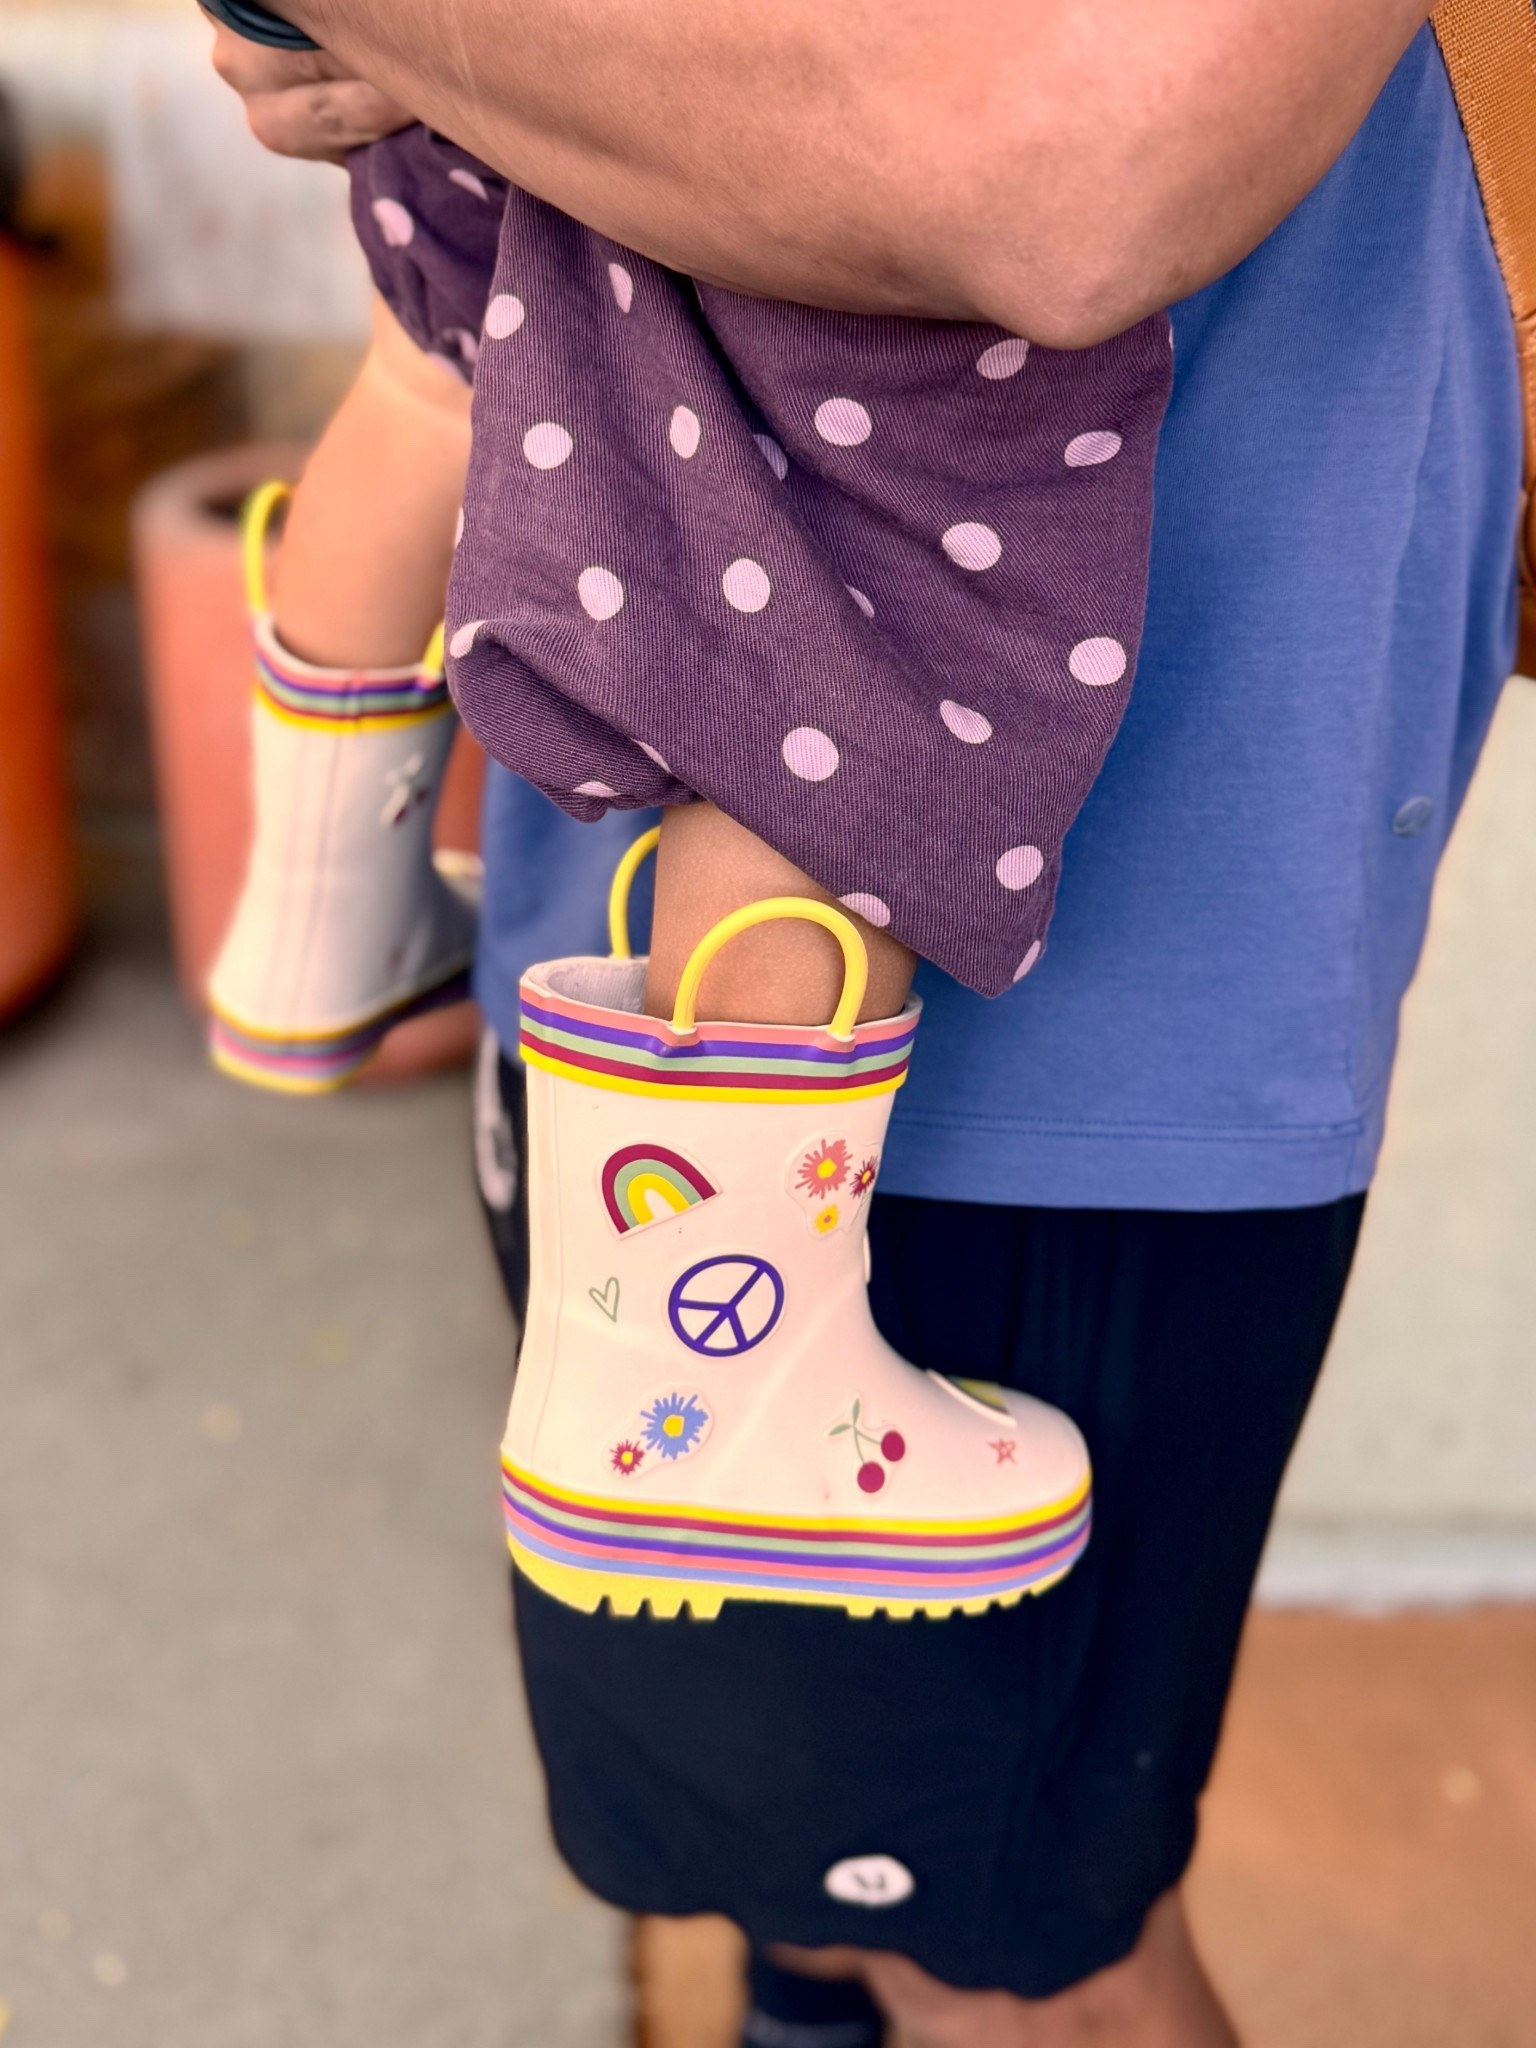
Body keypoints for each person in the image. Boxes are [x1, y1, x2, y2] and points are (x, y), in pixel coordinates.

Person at [207, 9, 1520, 2047]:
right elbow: (1048, 186)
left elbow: (1074, 166)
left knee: (975, 1916)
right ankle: (713, 1379)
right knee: (936, 1903)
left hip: (1031, 1010)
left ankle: (319, 922)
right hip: (874, 1028)